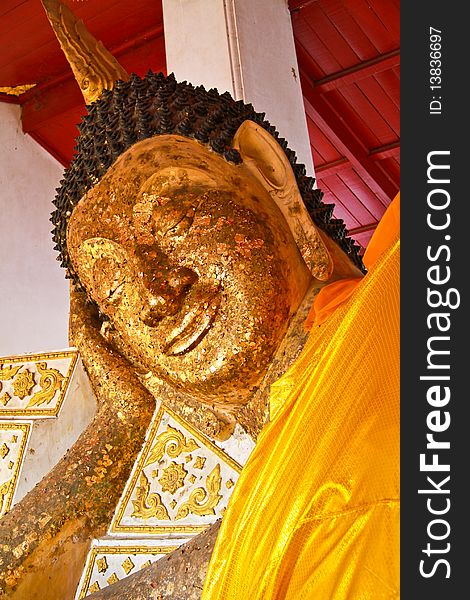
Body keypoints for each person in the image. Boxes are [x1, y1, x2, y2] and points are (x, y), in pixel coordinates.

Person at [0, 2, 397, 598]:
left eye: (175, 216)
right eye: (113, 286)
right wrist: (119, 426)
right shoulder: (247, 533)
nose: (156, 297)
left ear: (271, 176)